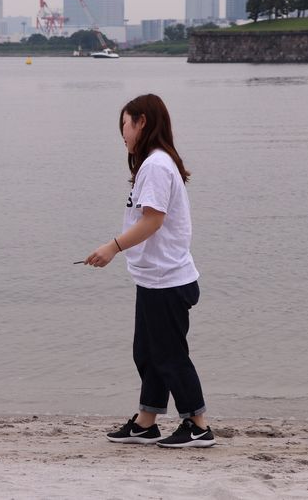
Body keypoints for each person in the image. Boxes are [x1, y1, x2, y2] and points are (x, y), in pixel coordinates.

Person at [84, 94, 215, 448]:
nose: (122, 134)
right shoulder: (154, 163)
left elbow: (152, 221)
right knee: (147, 352)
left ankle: (198, 424)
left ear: (142, 121)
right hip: (154, 278)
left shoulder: (156, 165)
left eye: (125, 125)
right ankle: (146, 422)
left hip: (167, 280)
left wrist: (112, 247)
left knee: (169, 355)